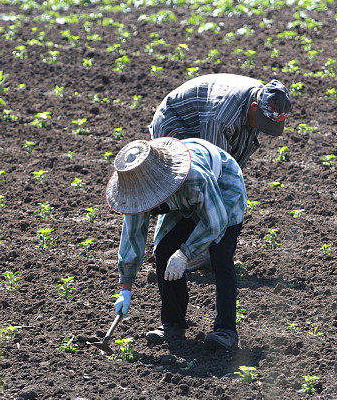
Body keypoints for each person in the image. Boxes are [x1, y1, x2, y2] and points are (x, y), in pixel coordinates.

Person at [106, 136, 247, 352]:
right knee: (163, 250)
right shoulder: (135, 188)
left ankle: (226, 331)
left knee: (221, 256)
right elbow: (133, 234)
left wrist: (185, 253)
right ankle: (172, 324)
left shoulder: (193, 179)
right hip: (182, 197)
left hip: (222, 185)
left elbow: (215, 222)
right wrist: (125, 288)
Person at [149, 73, 292, 170]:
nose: (262, 128)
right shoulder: (223, 118)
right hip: (175, 122)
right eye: (262, 122)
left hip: (205, 118)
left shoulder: (259, 98)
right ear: (254, 107)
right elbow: (214, 163)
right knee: (188, 179)